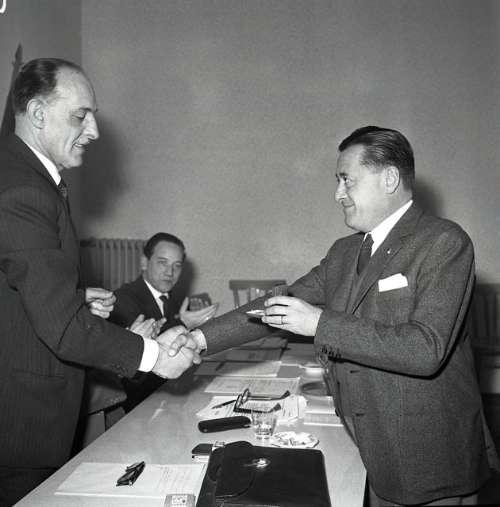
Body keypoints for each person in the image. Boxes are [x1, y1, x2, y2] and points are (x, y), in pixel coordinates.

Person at [184, 126, 498, 505]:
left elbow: (424, 349)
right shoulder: (344, 252)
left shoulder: (444, 242)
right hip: (373, 447)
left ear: (390, 179)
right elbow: (277, 304)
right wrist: (197, 339)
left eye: (347, 179)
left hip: (430, 461)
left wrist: (318, 323)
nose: (338, 193)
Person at [0, 58, 198, 505]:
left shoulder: (24, 177)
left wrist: (71, 297)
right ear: (37, 114)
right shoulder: (23, 190)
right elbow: (63, 328)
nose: (94, 131)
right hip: (19, 424)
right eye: (80, 116)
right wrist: (154, 357)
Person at [109, 232, 218, 410]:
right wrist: (184, 324)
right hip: (138, 403)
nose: (170, 272)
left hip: (168, 392)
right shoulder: (123, 299)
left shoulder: (171, 298)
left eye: (177, 265)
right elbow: (146, 356)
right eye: (162, 263)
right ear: (144, 262)